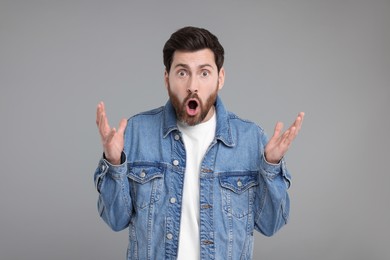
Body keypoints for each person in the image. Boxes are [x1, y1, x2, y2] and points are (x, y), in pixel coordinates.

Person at [94, 26, 304, 260]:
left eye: (204, 73)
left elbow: (271, 224)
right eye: (182, 73)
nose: (193, 85)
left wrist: (271, 167)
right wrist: (114, 163)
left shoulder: (250, 138)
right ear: (167, 79)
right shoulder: (136, 132)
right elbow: (115, 220)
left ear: (220, 78)